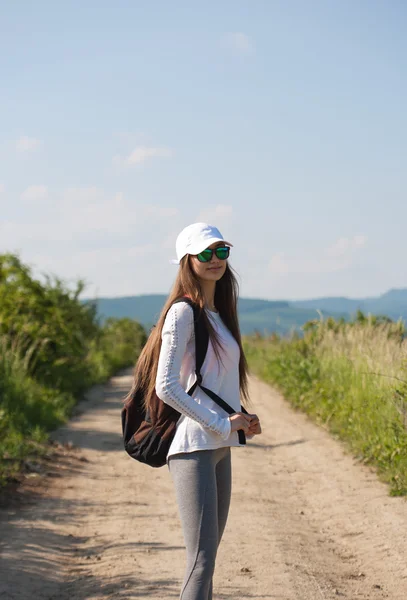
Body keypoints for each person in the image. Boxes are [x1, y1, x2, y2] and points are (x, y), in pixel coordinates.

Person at [136, 222, 261, 600]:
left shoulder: (218, 314)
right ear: (186, 260)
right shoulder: (183, 313)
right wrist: (222, 422)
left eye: (221, 251)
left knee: (208, 558)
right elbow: (167, 386)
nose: (214, 260)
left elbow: (209, 382)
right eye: (204, 253)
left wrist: (239, 418)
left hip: (218, 444)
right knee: (200, 560)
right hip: (193, 445)